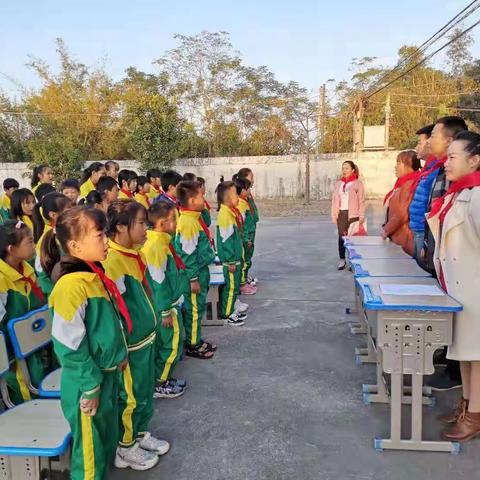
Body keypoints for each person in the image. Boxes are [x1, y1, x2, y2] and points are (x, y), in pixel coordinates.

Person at [47, 206, 128, 479]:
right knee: (89, 454)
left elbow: (108, 326)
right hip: (88, 384)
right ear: (74, 245)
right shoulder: (71, 286)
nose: (106, 240)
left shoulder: (95, 275)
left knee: (105, 441)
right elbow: (68, 344)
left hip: (105, 375)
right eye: (99, 235)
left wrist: (120, 354)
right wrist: (90, 385)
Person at [103, 199, 168, 471]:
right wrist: (119, 350)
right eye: (141, 223)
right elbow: (114, 313)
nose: (146, 228)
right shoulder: (113, 261)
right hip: (130, 347)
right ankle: (126, 447)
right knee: (130, 397)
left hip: (145, 341)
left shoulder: (134, 252)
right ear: (120, 227)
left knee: (143, 392)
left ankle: (140, 435)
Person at [426, 131, 480, 442]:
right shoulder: (459, 193)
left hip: (474, 289)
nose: (446, 163)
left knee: (477, 356)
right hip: (462, 290)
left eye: (453, 157)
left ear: (474, 160)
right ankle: (468, 406)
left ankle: (475, 415)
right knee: (466, 354)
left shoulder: (476, 195)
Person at [0, 220, 47, 405]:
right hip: (12, 355)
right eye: (29, 242)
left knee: (40, 380)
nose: (34, 245)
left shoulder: (27, 269)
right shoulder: (2, 280)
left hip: (34, 344)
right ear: (11, 249)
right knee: (25, 392)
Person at [142, 201, 186, 398]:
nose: (176, 223)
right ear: (161, 223)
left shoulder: (159, 241)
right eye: (173, 219)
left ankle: (162, 377)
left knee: (163, 343)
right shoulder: (157, 246)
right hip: (166, 307)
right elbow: (158, 282)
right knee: (172, 344)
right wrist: (165, 310)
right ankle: (161, 382)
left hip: (166, 304)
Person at [174, 181, 215, 359]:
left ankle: (195, 338)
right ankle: (192, 344)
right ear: (191, 200)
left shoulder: (193, 218)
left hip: (200, 270)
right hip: (193, 274)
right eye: (200, 196)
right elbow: (188, 254)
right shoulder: (188, 222)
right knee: (194, 310)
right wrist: (193, 279)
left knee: (197, 307)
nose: (203, 199)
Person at [215, 180, 247, 326]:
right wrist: (230, 260)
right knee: (231, 288)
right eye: (235, 194)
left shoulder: (228, 212)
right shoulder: (225, 215)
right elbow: (226, 240)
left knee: (233, 288)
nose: (237, 198)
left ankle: (230, 309)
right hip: (231, 261)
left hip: (234, 259)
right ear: (227, 198)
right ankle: (227, 314)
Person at [382, 150, 421, 255]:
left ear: (409, 165)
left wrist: (386, 230)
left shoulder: (410, 185)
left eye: (399, 163)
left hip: (404, 239)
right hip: (397, 237)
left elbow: (402, 213)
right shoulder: (402, 184)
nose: (396, 167)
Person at [33, 193, 72, 296]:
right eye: (68, 209)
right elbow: (42, 272)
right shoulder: (48, 238)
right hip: (57, 290)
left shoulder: (64, 231)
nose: (73, 212)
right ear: (53, 215)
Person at [409, 124, 437, 261]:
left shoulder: (438, 169)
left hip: (423, 232)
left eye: (419, 142)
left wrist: (426, 240)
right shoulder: (428, 169)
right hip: (417, 230)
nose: (416, 147)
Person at [331, 160, 365, 270]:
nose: (344, 171)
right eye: (343, 168)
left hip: (353, 214)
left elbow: (361, 201)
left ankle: (352, 261)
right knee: (342, 238)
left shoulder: (357, 183)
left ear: (352, 170)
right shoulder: (338, 184)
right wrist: (334, 214)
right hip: (341, 214)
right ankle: (342, 260)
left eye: (347, 168)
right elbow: (334, 200)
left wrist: (361, 215)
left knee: (353, 239)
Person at [233, 174, 257, 295]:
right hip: (245, 238)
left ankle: (244, 281)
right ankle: (242, 284)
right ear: (241, 190)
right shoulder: (240, 204)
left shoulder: (244, 201)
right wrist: (246, 238)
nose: (249, 191)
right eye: (247, 188)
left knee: (247, 260)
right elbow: (241, 225)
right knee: (244, 261)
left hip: (249, 235)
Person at [238, 167, 259, 286]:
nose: (253, 180)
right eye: (251, 178)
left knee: (248, 256)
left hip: (251, 229)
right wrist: (246, 237)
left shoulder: (247, 195)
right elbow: (241, 223)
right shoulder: (241, 200)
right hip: (247, 233)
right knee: (245, 258)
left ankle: (245, 277)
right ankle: (242, 281)